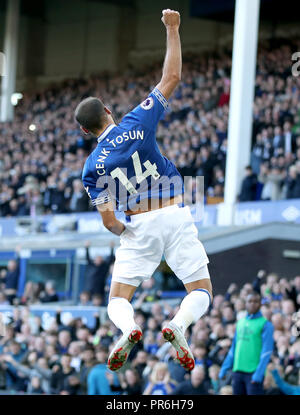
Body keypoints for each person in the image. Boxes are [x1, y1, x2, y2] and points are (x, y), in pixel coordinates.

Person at [75, 8, 212, 373]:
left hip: (138, 223)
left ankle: (130, 328)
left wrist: (126, 230)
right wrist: (172, 28)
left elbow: (109, 223)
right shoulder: (138, 120)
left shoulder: (91, 168)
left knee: (118, 298)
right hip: (175, 211)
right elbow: (172, 76)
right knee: (201, 289)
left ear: (87, 132)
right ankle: (178, 325)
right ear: (107, 110)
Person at [219, 292, 274, 395]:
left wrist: (259, 373)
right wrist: (224, 367)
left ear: (260, 304)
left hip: (253, 373)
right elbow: (234, 348)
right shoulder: (240, 322)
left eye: (256, 301)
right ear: (245, 304)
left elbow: (267, 351)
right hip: (238, 372)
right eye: (250, 301)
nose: (252, 304)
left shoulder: (266, 324)